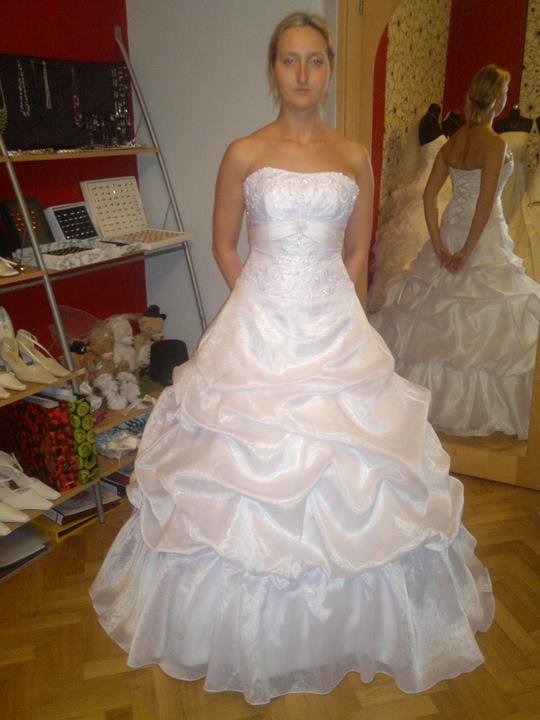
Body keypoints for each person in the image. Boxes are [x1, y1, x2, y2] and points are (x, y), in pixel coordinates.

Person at [90, 14, 494, 705]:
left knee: (354, 476)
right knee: (237, 475)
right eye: (289, 60)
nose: (303, 74)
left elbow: (357, 253)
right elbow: (224, 244)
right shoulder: (244, 152)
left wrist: (346, 317)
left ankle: (340, 626)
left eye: (315, 61)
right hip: (260, 325)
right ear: (273, 69)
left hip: (335, 328)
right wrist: (258, 299)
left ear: (329, 70)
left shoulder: (354, 156)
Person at [371, 65, 540, 439]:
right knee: (482, 320)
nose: (507, 98)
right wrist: (465, 251)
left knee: (438, 314)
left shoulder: (453, 143)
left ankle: (427, 400)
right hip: (481, 237)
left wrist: (438, 244)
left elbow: (429, 196)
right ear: (498, 98)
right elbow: (485, 205)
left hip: (450, 233)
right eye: (506, 92)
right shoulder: (494, 144)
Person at [368, 103, 452, 311]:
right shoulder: (428, 124)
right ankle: (402, 303)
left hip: (448, 191)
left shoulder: (449, 123)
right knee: (414, 244)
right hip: (427, 189)